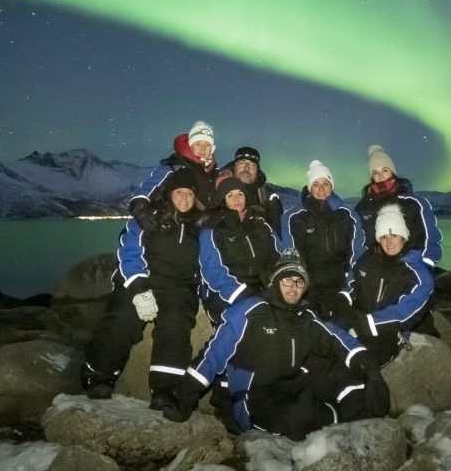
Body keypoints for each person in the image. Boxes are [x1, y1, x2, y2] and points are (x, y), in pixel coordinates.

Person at [163, 254, 390, 441]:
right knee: (301, 416)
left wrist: (371, 371)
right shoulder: (250, 312)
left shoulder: (304, 316)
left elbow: (338, 339)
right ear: (274, 282)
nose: (294, 288)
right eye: (287, 280)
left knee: (353, 383)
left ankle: (353, 426)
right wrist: (184, 395)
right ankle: (336, 424)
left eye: (299, 282)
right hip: (251, 397)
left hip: (291, 385)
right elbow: (212, 356)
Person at [81, 168, 204, 409]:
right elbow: (129, 251)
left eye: (190, 193)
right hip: (144, 278)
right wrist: (139, 288)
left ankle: (164, 389)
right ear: (169, 194)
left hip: (178, 286)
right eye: (179, 192)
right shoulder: (150, 218)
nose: (185, 198)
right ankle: (97, 375)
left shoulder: (198, 225)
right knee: (122, 320)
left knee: (176, 325)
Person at [335, 204, 438, 367]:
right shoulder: (368, 259)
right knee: (324, 342)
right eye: (384, 237)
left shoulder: (418, 275)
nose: (389, 242)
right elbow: (351, 284)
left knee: (360, 364)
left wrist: (368, 322)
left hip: (389, 331)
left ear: (404, 237)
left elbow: (404, 314)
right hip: (359, 319)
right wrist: (342, 300)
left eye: (394, 235)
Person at [280, 160, 365, 318]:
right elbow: (291, 258)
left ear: (332, 186)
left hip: (341, 286)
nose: (321, 189)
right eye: (316, 184)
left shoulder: (347, 215)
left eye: (326, 183)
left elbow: (357, 255)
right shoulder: (294, 218)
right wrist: (302, 291)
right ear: (310, 188)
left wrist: (347, 291)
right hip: (308, 289)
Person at [198, 175, 281, 325]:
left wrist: (274, 287)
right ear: (222, 200)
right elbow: (213, 271)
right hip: (226, 294)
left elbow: (275, 258)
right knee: (253, 323)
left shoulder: (260, 225)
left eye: (240, 194)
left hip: (261, 288)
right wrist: (242, 294)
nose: (236, 199)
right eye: (230, 195)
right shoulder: (212, 229)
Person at [355, 144, 442, 268]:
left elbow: (430, 235)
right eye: (375, 172)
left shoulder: (413, 203)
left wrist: (426, 262)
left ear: (393, 171)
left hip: (409, 266)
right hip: (375, 268)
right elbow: (358, 240)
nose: (380, 176)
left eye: (385, 170)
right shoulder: (363, 207)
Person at [128, 121, 218, 231]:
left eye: (207, 145)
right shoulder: (174, 167)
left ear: (212, 149)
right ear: (190, 146)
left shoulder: (210, 172)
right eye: (198, 144)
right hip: (170, 227)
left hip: (195, 230)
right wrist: (140, 209)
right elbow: (150, 186)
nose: (203, 149)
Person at [219, 146, 284, 236]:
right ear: (234, 166)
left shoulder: (268, 197)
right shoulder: (218, 188)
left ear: (257, 170)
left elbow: (276, 234)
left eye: (252, 165)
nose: (246, 168)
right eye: (242, 163)